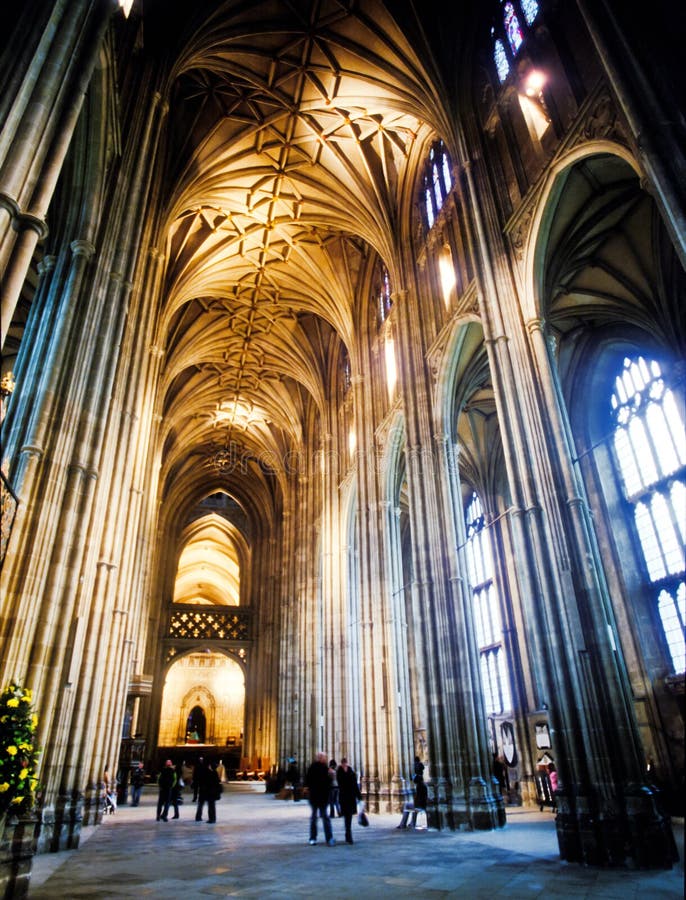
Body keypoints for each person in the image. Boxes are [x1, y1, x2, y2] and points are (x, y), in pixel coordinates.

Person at [305, 752, 335, 846]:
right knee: (314, 818)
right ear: (319, 758)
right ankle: (313, 838)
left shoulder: (326, 768)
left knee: (325, 818)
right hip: (315, 797)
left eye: (324, 757)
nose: (324, 758)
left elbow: (328, 782)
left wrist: (332, 776)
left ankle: (329, 838)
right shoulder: (313, 767)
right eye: (323, 757)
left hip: (323, 797)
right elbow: (308, 781)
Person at [336, 757, 362, 844]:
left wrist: (359, 796)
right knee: (346, 816)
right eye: (343, 763)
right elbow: (340, 783)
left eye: (345, 763)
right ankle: (348, 833)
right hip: (344, 797)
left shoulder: (351, 772)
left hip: (351, 798)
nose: (344, 765)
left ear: (347, 763)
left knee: (349, 816)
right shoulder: (339, 772)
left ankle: (348, 834)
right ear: (341, 764)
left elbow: (354, 785)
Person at [195, 758, 221, 823]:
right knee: (211, 805)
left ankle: (208, 818)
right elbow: (217, 782)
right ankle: (212, 818)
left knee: (205, 804)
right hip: (211, 792)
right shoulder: (214, 773)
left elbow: (202, 780)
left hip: (207, 791)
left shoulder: (207, 772)